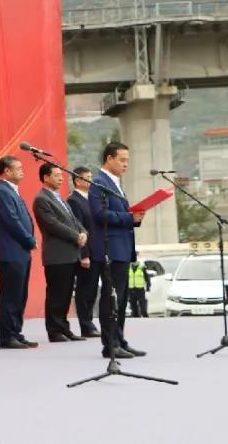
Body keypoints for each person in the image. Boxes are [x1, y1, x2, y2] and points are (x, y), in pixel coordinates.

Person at [88, 142, 146, 360]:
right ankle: (110, 345)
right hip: (110, 248)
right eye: (122, 160)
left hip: (122, 247)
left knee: (121, 299)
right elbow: (99, 214)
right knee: (111, 298)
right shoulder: (98, 182)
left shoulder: (115, 183)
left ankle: (120, 340)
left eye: (127, 160)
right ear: (109, 158)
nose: (125, 164)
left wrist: (135, 218)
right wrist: (128, 217)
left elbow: (118, 213)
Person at [32, 163, 88, 343]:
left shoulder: (60, 198)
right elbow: (53, 224)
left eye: (61, 175)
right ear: (46, 177)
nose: (61, 178)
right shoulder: (42, 199)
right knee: (56, 294)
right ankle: (54, 330)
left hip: (70, 254)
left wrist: (83, 232)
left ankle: (64, 328)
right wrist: (76, 236)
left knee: (65, 294)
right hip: (57, 255)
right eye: (56, 175)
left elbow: (74, 221)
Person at [0, 156, 38, 350]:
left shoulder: (12, 190)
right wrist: (29, 239)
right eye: (17, 168)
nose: (22, 170)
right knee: (10, 295)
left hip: (20, 251)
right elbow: (12, 221)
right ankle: (7, 336)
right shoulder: (1, 191)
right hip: (10, 251)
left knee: (20, 294)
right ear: (6, 171)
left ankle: (16, 332)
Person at [68, 167, 99, 337]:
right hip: (86, 252)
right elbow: (78, 229)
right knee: (84, 290)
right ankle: (86, 325)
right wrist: (84, 254)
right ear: (78, 181)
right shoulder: (74, 200)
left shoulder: (91, 199)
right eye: (88, 178)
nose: (91, 181)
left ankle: (90, 323)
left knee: (92, 289)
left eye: (91, 177)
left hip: (97, 250)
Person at [127, 253, 151, 318]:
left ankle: (146, 319)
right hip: (131, 290)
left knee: (143, 308)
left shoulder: (142, 267)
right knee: (133, 308)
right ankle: (136, 320)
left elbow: (147, 278)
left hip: (140, 290)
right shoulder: (128, 267)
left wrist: (148, 287)